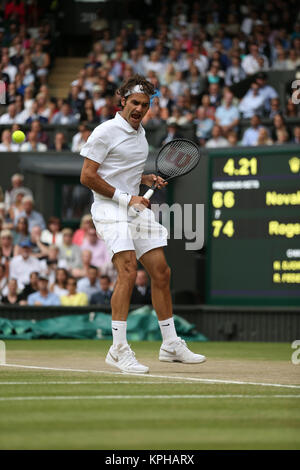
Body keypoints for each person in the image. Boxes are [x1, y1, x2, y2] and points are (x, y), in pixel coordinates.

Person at [80, 74, 206, 374]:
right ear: (122, 101)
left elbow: (122, 170)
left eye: (144, 105)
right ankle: (118, 349)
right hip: (110, 210)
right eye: (134, 103)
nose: (138, 108)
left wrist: (145, 178)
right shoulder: (105, 132)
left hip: (134, 209)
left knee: (161, 272)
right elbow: (87, 176)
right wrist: (128, 198)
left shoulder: (140, 134)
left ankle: (170, 344)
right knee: (127, 271)